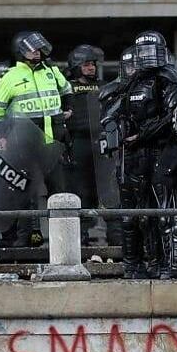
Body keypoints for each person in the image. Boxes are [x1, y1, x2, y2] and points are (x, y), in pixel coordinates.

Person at [115, 31, 177, 279]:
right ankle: (152, 263)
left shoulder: (169, 80)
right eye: (143, 53)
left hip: (165, 152)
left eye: (152, 51)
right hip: (137, 157)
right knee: (141, 216)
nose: (148, 57)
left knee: (169, 217)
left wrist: (144, 135)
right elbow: (118, 113)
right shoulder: (132, 83)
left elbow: (174, 119)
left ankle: (172, 266)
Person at [0, 31, 74, 247]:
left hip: (52, 141)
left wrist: (68, 109)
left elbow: (67, 91)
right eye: (32, 49)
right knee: (26, 193)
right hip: (24, 142)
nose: (37, 53)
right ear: (20, 52)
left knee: (59, 192)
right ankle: (23, 240)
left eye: (38, 49)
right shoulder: (9, 77)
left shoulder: (52, 71)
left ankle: (63, 243)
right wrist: (2, 138)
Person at [64, 44, 120, 246]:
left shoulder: (105, 86)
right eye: (86, 65)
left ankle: (117, 241)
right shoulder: (66, 89)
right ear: (76, 66)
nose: (91, 68)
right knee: (82, 193)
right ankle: (81, 241)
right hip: (78, 145)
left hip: (103, 146)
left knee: (110, 193)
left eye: (93, 65)